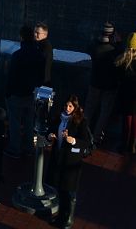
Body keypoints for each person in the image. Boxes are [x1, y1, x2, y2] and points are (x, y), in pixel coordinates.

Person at [45, 95, 93, 228]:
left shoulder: (81, 121)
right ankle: (61, 216)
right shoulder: (60, 118)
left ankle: (69, 219)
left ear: (75, 107)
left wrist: (73, 140)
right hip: (59, 158)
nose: (67, 108)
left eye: (70, 106)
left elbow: (85, 142)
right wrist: (50, 135)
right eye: (66, 105)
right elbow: (51, 130)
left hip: (71, 161)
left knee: (70, 191)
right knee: (60, 189)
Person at [5, 24, 46, 158]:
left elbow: (12, 76)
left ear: (21, 37)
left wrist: (8, 92)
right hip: (31, 93)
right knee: (29, 122)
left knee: (15, 122)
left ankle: (15, 148)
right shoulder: (39, 54)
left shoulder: (18, 55)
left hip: (17, 93)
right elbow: (41, 74)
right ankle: (28, 148)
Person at [115, 32, 136, 154]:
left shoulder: (121, 61)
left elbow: (118, 77)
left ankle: (124, 145)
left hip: (125, 95)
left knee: (127, 121)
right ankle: (133, 145)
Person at [86, 22, 119, 145]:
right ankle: (97, 137)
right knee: (104, 112)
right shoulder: (115, 49)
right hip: (110, 85)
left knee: (89, 110)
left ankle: (84, 133)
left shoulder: (94, 46)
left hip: (95, 82)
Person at [35, 21, 54, 86]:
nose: (35, 34)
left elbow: (43, 66)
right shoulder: (40, 45)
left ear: (45, 34)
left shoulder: (45, 47)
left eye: (38, 33)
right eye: (34, 32)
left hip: (41, 84)